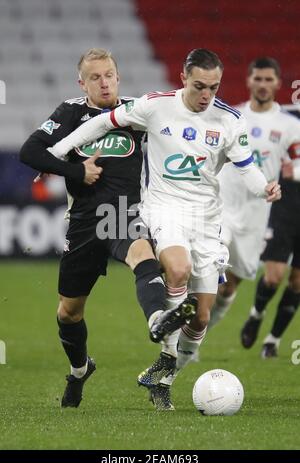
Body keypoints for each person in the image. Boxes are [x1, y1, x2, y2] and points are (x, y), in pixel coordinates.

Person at [48, 48, 281, 411]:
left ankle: (165, 374)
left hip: (208, 219)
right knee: (177, 267)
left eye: (214, 87)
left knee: (201, 317)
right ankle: (161, 328)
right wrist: (59, 151)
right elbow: (103, 121)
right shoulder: (155, 106)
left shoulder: (230, 120)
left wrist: (264, 186)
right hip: (164, 208)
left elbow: (247, 169)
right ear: (185, 78)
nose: (207, 95)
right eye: (200, 86)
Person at [20, 48, 196, 409]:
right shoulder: (71, 112)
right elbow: (30, 151)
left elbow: (178, 132)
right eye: (95, 77)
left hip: (123, 212)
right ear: (81, 83)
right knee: (69, 312)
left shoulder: (136, 111)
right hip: (84, 221)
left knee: (142, 255)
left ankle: (158, 319)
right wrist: (77, 171)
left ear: (119, 77)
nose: (104, 83)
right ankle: (80, 369)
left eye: (109, 75)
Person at [209, 58, 300, 341]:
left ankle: (195, 338)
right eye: (257, 79)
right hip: (222, 205)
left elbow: (298, 162)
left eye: (268, 80)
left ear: (278, 83)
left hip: (257, 214)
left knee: (228, 288)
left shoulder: (289, 126)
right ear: (248, 81)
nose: (262, 85)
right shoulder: (231, 117)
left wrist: (293, 171)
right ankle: (180, 329)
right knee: (211, 266)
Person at [241, 160, 300, 358]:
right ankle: (256, 314)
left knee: (298, 282)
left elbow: (293, 171)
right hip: (285, 209)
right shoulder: (291, 129)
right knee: (274, 277)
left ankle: (272, 341)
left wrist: (296, 173)